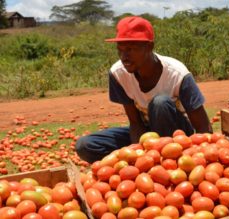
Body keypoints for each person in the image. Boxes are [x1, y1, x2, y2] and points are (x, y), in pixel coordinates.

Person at [76, 16, 212, 163]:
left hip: (177, 137)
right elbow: (135, 123)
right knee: (86, 145)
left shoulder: (178, 74)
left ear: (149, 47)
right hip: (145, 132)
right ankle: (138, 165)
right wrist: (138, 156)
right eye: (120, 50)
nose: (124, 57)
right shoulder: (118, 74)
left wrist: (200, 156)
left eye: (130, 50)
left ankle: (168, 161)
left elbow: (203, 126)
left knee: (160, 103)